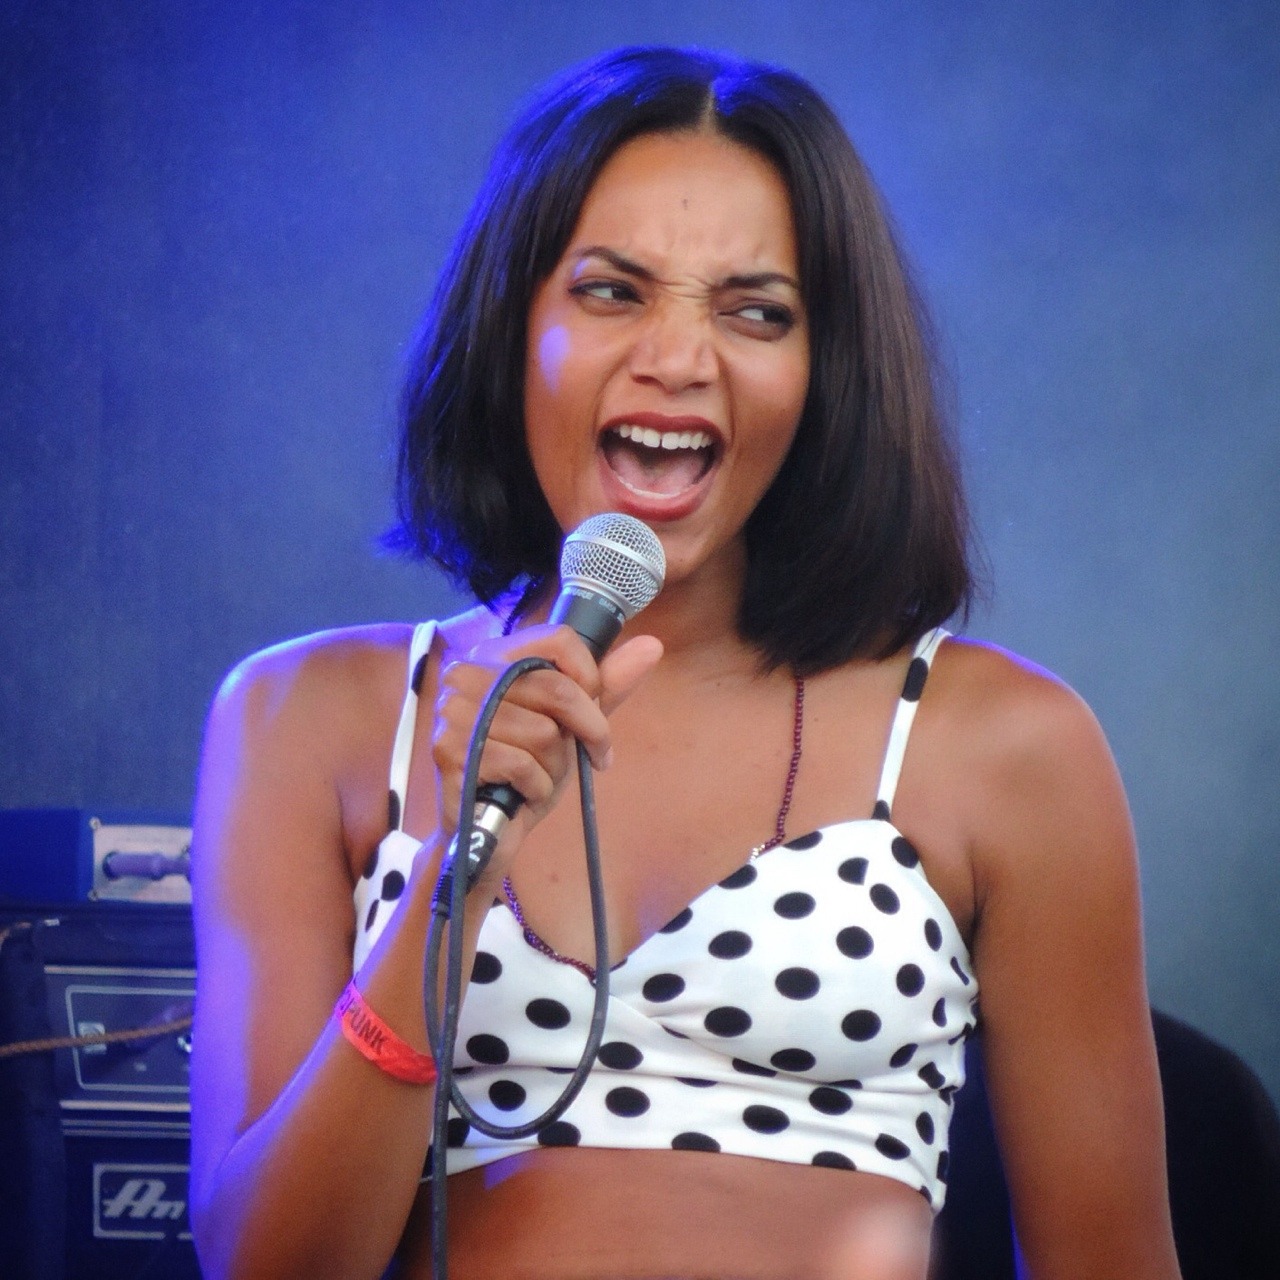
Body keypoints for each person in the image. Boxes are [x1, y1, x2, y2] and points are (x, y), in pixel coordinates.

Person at [187, 45, 1184, 1280]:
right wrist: (458, 865)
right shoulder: (304, 715)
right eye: (612, 291)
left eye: (754, 310)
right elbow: (263, 1264)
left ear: (825, 376)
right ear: (514, 331)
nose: (677, 356)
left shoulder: (1005, 742)